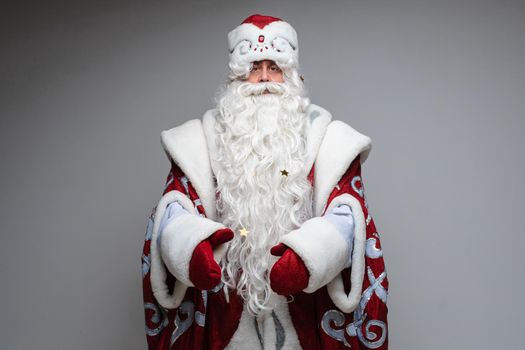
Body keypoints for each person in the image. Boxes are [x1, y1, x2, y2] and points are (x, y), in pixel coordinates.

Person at [141, 14, 389, 350]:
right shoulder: (199, 140)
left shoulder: (329, 141)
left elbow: (346, 213)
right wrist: (190, 248)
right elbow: (175, 207)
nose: (263, 79)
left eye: (274, 67)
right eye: (254, 68)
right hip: (226, 303)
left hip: (303, 306)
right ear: (236, 77)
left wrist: (311, 257)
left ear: (292, 75)